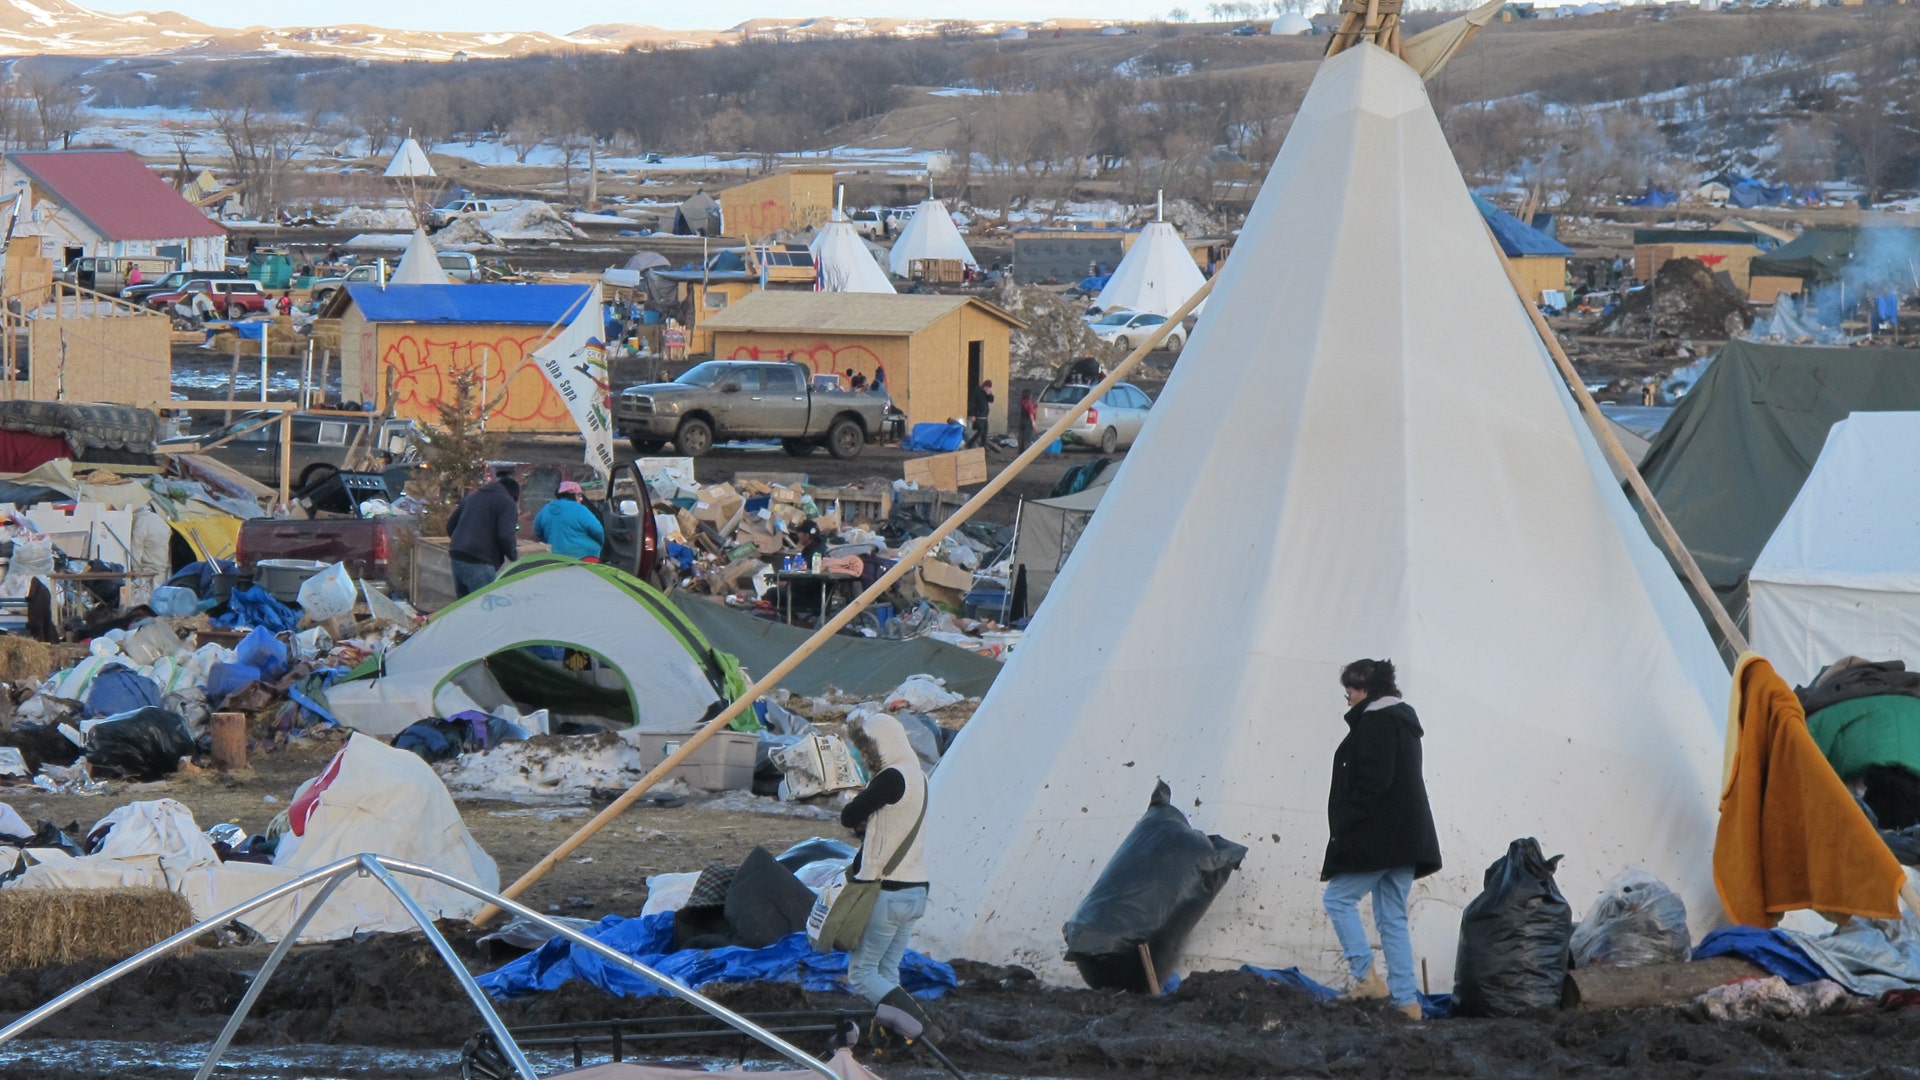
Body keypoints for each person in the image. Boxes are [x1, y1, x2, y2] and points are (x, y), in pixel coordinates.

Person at [1321, 659, 1440, 1021]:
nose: (1348, 698)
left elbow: (1374, 783)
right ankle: (1407, 1002)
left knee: (1337, 898)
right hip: (1407, 838)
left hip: (1380, 838)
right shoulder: (1404, 722)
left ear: (1368, 690)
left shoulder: (1375, 721)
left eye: (1352, 690)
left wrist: (1345, 824)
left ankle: (1366, 977)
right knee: (1391, 919)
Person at [841, 712, 936, 1032]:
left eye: (864, 748)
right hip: (916, 890)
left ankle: (921, 1028)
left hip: (890, 892)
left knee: (863, 973)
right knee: (887, 972)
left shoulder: (891, 777)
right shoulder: (918, 777)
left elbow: (849, 814)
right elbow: (890, 827)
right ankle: (896, 1038)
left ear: (877, 746)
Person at [445, 470, 520, 597]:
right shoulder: (507, 502)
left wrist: (462, 543)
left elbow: (451, 524)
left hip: (457, 557)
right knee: (485, 608)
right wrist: (513, 555)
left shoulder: (473, 496)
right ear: (513, 494)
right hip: (479, 561)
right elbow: (505, 535)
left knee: (465, 607)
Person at [532, 480, 605, 561]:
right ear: (575, 495)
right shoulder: (580, 509)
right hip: (583, 557)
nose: (581, 499)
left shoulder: (546, 509)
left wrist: (549, 540)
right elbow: (598, 530)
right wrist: (601, 542)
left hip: (555, 557)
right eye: (580, 496)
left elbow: (537, 529)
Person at [966, 379, 995, 450]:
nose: (988, 389)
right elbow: (972, 403)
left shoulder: (986, 393)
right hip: (978, 415)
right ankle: (970, 443)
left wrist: (990, 394)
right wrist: (972, 414)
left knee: (985, 433)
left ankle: (983, 447)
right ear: (984, 386)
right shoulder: (977, 392)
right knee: (980, 431)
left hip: (985, 416)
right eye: (987, 387)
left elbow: (991, 400)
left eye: (989, 387)